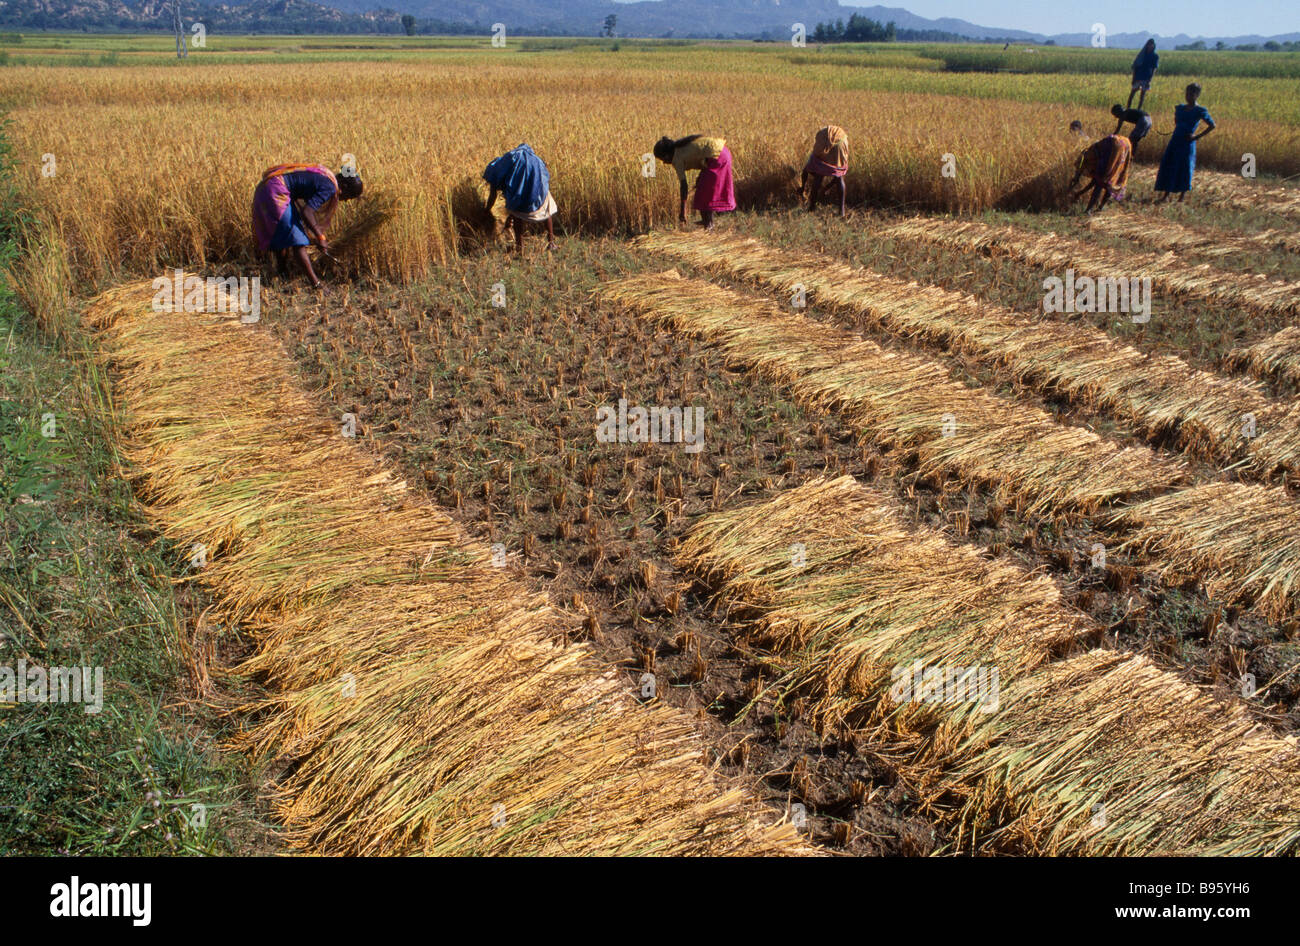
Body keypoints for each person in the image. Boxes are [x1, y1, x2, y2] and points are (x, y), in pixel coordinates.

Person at [252, 164, 362, 289]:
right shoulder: (330, 187)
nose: (346, 200)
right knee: (297, 240)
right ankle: (316, 284)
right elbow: (307, 212)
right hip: (276, 192)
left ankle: (282, 275)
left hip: (269, 187)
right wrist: (320, 237)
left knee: (285, 233)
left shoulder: (327, 176)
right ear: (345, 187)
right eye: (349, 196)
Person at [482, 143, 558, 253]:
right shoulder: (533, 158)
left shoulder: (498, 169)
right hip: (539, 187)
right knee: (547, 208)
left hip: (519, 193)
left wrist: (486, 210)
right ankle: (551, 243)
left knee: (518, 213)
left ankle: (519, 246)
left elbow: (494, 195)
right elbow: (544, 171)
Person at [653, 134, 736, 230]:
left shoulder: (677, 158)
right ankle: (707, 220)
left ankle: (708, 224)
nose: (664, 162)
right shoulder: (680, 148)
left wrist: (682, 211)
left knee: (703, 194)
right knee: (702, 188)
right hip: (723, 152)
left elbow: (684, 186)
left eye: (662, 159)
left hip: (717, 157)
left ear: (666, 155)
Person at [1154, 83, 1216, 203]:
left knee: (1185, 168)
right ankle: (1166, 195)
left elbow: (1212, 125)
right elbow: (1177, 122)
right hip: (1175, 141)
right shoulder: (1180, 108)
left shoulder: (1200, 111)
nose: (1188, 96)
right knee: (1170, 165)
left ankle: (1181, 197)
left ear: (1197, 95)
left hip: (1187, 143)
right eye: (1187, 93)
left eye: (1191, 93)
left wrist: (1196, 137)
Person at [1069, 133, 1132, 214]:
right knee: (1113, 179)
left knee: (1103, 180)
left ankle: (1089, 210)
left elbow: (1095, 181)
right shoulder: (1090, 154)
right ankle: (1100, 207)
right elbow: (1094, 180)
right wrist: (1080, 193)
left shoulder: (1087, 158)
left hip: (1114, 145)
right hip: (1126, 143)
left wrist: (1077, 188)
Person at [799, 125, 849, 217]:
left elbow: (805, 172)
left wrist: (802, 188)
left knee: (818, 176)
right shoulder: (825, 139)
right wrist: (827, 187)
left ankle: (812, 208)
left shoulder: (814, 160)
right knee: (839, 178)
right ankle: (842, 211)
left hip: (827, 142)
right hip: (841, 143)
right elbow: (837, 174)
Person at [1128, 39, 1159, 110]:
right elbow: (1135, 66)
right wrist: (1133, 78)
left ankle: (1138, 110)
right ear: (1147, 45)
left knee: (1142, 96)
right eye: (1149, 44)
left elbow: (1154, 68)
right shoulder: (1142, 55)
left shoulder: (1155, 56)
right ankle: (1128, 109)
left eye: (1151, 44)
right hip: (1138, 76)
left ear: (1154, 46)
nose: (1150, 46)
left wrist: (1150, 79)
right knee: (1132, 93)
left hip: (1146, 77)